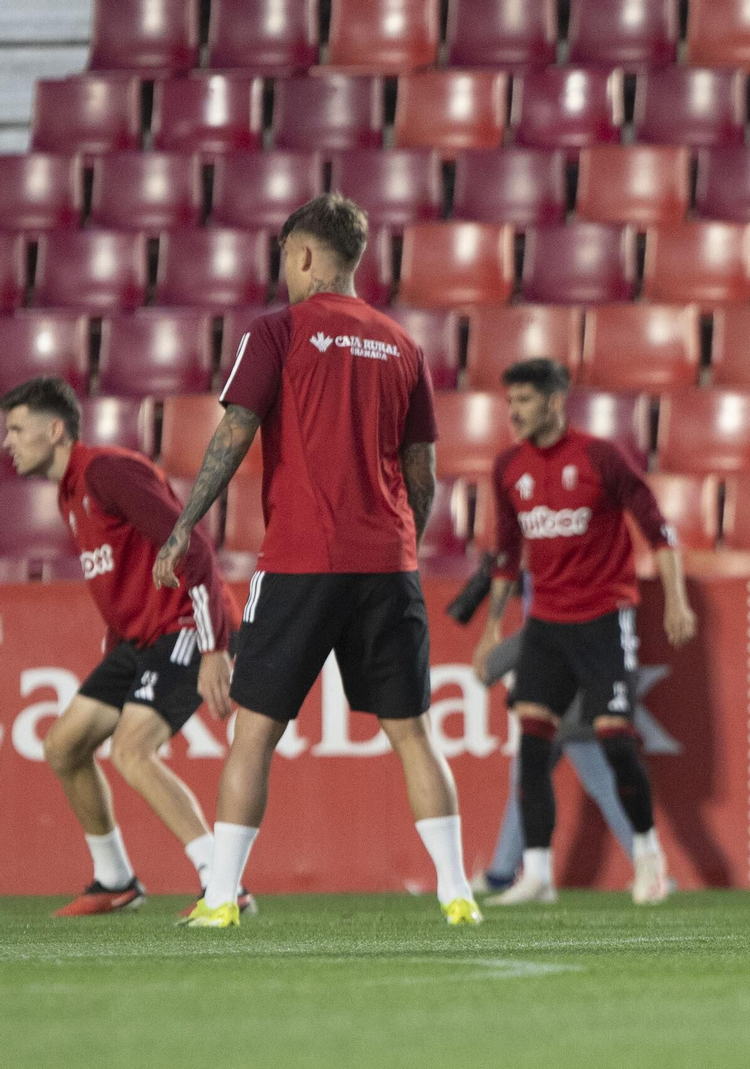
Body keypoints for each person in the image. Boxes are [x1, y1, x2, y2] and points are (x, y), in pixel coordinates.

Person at [153, 193, 480, 927]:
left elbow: (236, 432)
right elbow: (422, 470)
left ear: (304, 255)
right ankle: (456, 889)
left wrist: (183, 526)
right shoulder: (402, 344)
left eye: (285, 259)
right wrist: (400, 542)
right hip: (388, 563)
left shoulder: (277, 331)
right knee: (414, 732)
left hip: (302, 559)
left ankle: (219, 898)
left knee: (255, 731)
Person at [2, 376, 243, 917]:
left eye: (16, 429)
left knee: (132, 750)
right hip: (139, 643)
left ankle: (221, 882)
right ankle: (115, 878)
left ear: (56, 429)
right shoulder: (70, 494)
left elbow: (193, 543)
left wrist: (212, 646)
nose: (8, 441)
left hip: (185, 627)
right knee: (64, 745)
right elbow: (123, 581)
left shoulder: (107, 471)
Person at [471, 359, 697, 906]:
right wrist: (492, 627)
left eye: (523, 401)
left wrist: (677, 602)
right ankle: (539, 874)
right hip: (545, 623)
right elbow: (506, 555)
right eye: (509, 402)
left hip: (602, 618)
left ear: (553, 402)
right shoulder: (508, 468)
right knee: (531, 745)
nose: (513, 413)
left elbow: (657, 528)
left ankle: (649, 859)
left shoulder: (599, 457)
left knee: (616, 742)